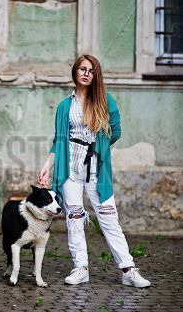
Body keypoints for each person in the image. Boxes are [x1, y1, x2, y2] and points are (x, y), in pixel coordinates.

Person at [37, 54, 151, 288]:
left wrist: (100, 148)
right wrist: (47, 167)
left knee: (109, 217)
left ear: (95, 74)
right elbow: (59, 140)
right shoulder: (64, 106)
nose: (86, 73)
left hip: (95, 168)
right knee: (74, 218)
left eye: (91, 70)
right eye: (82, 69)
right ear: (75, 72)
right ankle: (81, 268)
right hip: (69, 169)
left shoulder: (105, 101)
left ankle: (128, 269)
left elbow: (116, 131)